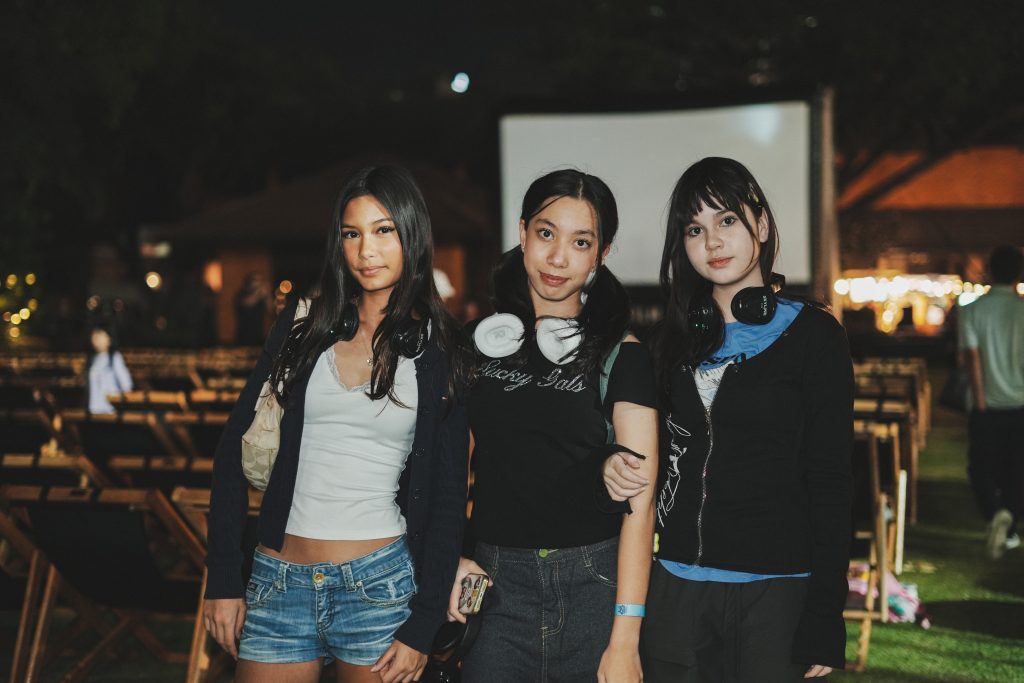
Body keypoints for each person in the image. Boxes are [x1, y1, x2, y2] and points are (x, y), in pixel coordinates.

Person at [203, 165, 472, 683]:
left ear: (412, 234)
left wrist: (423, 624)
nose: (366, 250)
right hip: (277, 580)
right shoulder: (302, 327)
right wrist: (222, 578)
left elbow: (446, 499)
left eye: (383, 230)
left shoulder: (443, 350)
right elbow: (232, 451)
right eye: (352, 233)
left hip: (378, 585)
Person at [605, 157, 853, 680]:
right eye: (695, 229)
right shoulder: (665, 345)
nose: (713, 241)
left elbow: (832, 479)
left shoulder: (814, 336)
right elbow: (639, 450)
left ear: (760, 226)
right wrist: (610, 460)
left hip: (777, 594)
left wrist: (825, 613)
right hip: (675, 591)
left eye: (727, 220)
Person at [449, 169, 659, 682]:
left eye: (580, 242)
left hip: (595, 584)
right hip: (492, 580)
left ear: (601, 254)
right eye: (546, 233)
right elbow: (448, 473)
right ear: (522, 233)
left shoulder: (623, 356)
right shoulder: (477, 344)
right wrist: (451, 560)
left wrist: (625, 639)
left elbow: (641, 503)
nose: (558, 258)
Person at [958, 245, 1024, 559]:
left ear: (990, 271)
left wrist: (981, 403)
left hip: (987, 405)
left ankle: (996, 512)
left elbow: (972, 359)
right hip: (1021, 403)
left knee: (981, 467)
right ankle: (1008, 522)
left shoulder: (973, 310)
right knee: (1017, 468)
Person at [86, 321, 133, 414]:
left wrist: (115, 400)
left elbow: (127, 385)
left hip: (110, 412)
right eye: (94, 335)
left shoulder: (114, 358)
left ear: (109, 339)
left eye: (100, 335)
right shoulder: (92, 360)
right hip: (94, 412)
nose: (96, 339)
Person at [235, 272, 273, 346]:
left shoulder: (261, 296)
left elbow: (270, 310)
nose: (259, 283)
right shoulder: (241, 293)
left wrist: (268, 295)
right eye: (256, 280)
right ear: (249, 282)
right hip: (244, 334)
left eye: (261, 281)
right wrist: (259, 292)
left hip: (259, 333)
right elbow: (248, 303)